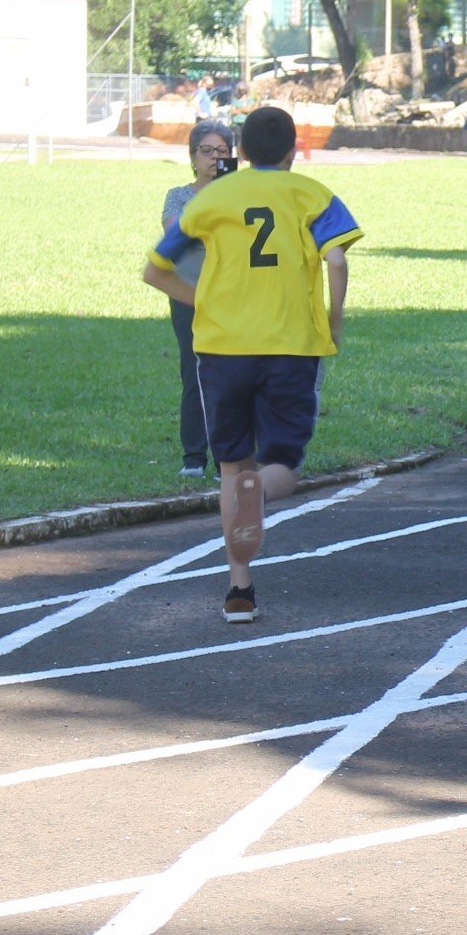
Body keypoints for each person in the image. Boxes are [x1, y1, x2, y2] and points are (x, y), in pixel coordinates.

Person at [143, 106, 362, 624]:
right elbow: (336, 258)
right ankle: (258, 492)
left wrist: (204, 302)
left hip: (222, 346)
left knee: (230, 465)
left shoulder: (211, 197)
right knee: (280, 462)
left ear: (240, 150)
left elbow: (155, 270)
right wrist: (334, 320)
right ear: (293, 149)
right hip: (291, 344)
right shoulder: (313, 194)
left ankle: (239, 589)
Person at [160, 120, 235, 476]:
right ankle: (193, 458)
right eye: (206, 151)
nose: (214, 159)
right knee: (193, 373)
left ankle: (227, 458)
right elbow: (178, 231)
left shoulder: (238, 195)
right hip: (188, 294)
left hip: (232, 293)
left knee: (230, 376)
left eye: (222, 152)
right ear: (192, 158)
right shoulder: (179, 195)